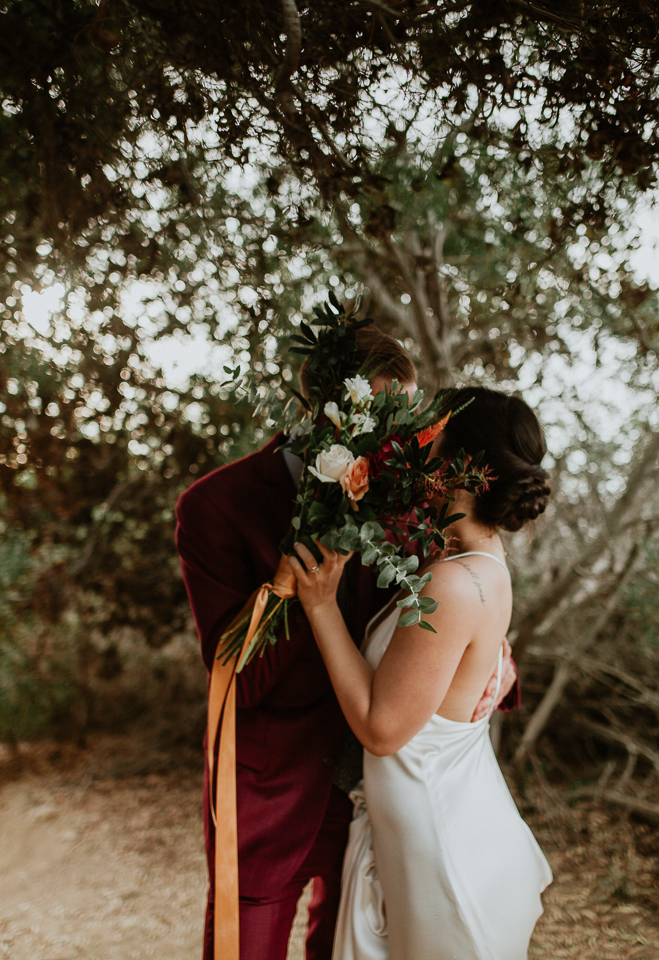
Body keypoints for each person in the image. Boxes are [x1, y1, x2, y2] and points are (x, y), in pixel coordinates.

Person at [175, 334, 520, 960]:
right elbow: (238, 679)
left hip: (377, 808)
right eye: (388, 422)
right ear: (330, 413)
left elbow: (456, 596)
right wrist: (295, 581)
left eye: (410, 422)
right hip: (269, 790)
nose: (403, 445)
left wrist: (500, 660)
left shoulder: (407, 497)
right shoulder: (217, 507)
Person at [287, 386, 554, 960]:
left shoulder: (450, 583)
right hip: (436, 819)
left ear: (461, 468)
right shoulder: (477, 565)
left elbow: (383, 731)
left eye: (430, 446)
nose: (417, 457)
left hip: (440, 843)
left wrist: (320, 605)